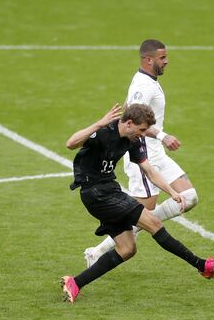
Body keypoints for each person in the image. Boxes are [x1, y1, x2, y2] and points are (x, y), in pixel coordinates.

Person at [60, 103, 214, 303]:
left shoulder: (133, 139)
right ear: (129, 123)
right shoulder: (104, 131)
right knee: (154, 223)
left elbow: (149, 170)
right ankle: (202, 265)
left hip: (109, 189)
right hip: (95, 193)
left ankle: (75, 283)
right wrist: (99, 123)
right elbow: (70, 143)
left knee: (127, 249)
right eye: (141, 130)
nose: (143, 135)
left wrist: (172, 191)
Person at [83, 39, 199, 267]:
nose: (166, 61)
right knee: (139, 215)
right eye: (162, 58)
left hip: (157, 156)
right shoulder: (143, 86)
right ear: (148, 59)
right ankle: (97, 252)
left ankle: (128, 233)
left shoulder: (146, 82)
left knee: (190, 197)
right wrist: (162, 136)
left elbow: (129, 108)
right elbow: (132, 119)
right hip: (143, 155)